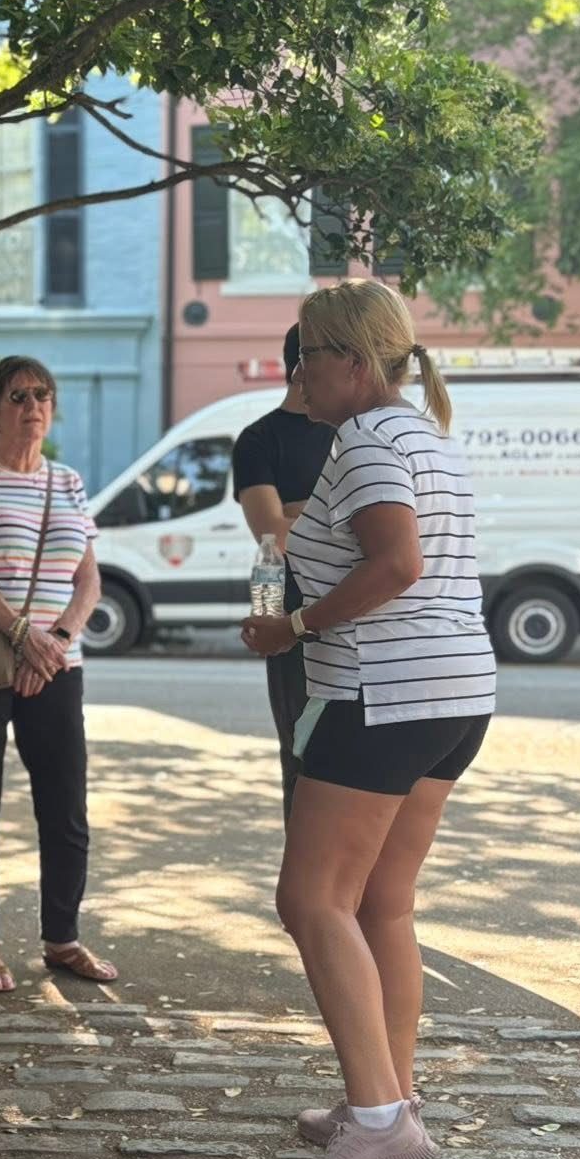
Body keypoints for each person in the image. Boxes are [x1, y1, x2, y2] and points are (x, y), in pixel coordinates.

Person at [241, 279, 496, 1159]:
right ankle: (389, 1095)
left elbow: (397, 563)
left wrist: (295, 627)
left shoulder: (369, 439)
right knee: (383, 902)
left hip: (384, 692)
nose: (297, 373)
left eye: (307, 355)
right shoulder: (426, 437)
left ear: (351, 361)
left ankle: (382, 1122)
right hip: (455, 692)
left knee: (312, 899)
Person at [0, 355, 117, 995]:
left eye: (43, 394)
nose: (33, 405)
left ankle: (63, 937)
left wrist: (56, 642)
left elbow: (88, 579)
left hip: (55, 663)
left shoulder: (67, 481)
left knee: (66, 805)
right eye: (18, 396)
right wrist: (22, 636)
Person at [232, 324, 337, 822]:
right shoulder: (258, 440)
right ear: (302, 367)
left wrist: (298, 510)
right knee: (301, 753)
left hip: (359, 613)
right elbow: (272, 536)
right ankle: (304, 865)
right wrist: (336, 516)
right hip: (290, 619)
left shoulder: (354, 435)